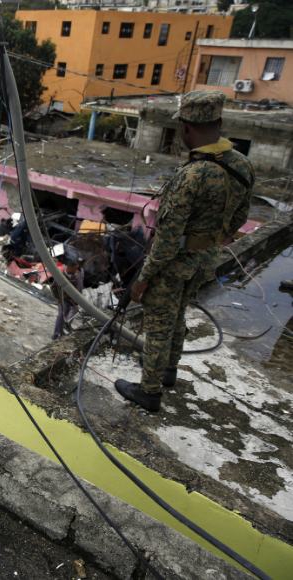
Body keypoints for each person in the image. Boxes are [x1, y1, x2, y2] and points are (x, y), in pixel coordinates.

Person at [114, 90, 254, 413]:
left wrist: (141, 281)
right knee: (178, 312)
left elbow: (165, 241)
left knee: (160, 320)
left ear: (186, 129)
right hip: (206, 261)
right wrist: (210, 241)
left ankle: (149, 390)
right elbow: (240, 218)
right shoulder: (242, 166)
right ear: (218, 122)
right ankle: (167, 370)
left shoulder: (191, 176)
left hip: (175, 263)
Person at [51, 258, 84, 340]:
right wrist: (57, 297)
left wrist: (74, 299)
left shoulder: (73, 277)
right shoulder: (61, 276)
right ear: (70, 268)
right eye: (75, 269)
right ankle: (56, 333)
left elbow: (74, 289)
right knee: (60, 315)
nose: (76, 271)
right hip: (63, 300)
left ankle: (61, 331)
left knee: (65, 316)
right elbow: (53, 287)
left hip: (69, 300)